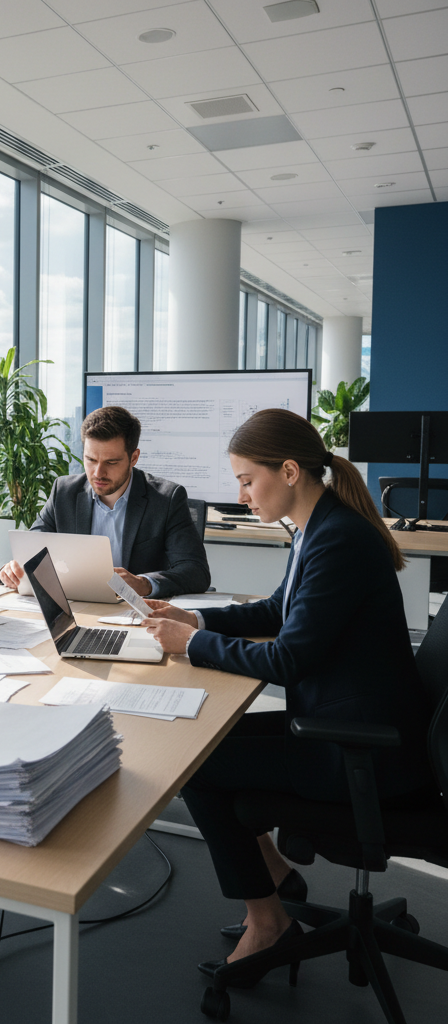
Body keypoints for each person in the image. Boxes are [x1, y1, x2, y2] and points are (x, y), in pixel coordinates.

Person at [143, 408, 431, 985]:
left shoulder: (339, 539)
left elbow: (288, 657)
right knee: (206, 744)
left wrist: (194, 643)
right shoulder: (319, 528)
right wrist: (191, 615)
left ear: (291, 471)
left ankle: (267, 917)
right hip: (344, 721)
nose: (242, 494)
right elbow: (277, 611)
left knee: (196, 762)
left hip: (361, 751)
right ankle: (273, 878)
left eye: (248, 480)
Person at [0, 405, 210, 599]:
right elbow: (32, 549)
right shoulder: (64, 492)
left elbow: (195, 571)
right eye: (90, 460)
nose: (98, 473)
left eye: (111, 462)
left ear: (134, 458)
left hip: (134, 614)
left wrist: (142, 583)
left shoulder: (167, 499)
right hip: (76, 607)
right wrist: (13, 570)